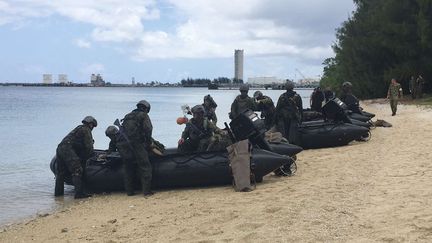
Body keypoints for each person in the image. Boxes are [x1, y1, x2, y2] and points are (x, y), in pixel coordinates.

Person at [117, 100, 154, 196]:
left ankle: (129, 191)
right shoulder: (143, 115)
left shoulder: (127, 116)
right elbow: (148, 129)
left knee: (128, 167)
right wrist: (149, 142)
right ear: (146, 108)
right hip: (136, 144)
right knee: (145, 166)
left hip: (124, 145)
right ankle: (146, 191)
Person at [55, 116, 97, 199]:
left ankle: (58, 195)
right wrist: (93, 156)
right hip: (68, 149)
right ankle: (79, 194)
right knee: (77, 170)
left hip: (60, 148)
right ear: (91, 124)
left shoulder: (78, 128)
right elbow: (89, 148)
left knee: (60, 174)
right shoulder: (86, 130)